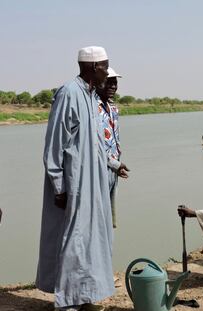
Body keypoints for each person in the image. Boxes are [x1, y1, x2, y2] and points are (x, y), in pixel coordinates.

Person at [36, 46, 114, 311]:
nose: (107, 70)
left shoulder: (92, 97)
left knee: (91, 240)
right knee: (75, 241)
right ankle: (68, 303)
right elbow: (54, 145)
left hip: (93, 183)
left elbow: (94, 144)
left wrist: (112, 163)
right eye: (104, 65)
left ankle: (84, 296)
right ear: (92, 67)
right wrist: (60, 187)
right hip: (75, 184)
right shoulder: (69, 93)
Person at [96, 67, 129, 229]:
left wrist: (117, 166)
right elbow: (95, 146)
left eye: (114, 83)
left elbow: (114, 140)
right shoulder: (92, 108)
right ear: (97, 82)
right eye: (108, 82)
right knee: (98, 215)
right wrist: (115, 164)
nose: (112, 86)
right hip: (98, 168)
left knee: (109, 215)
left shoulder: (113, 108)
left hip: (112, 169)